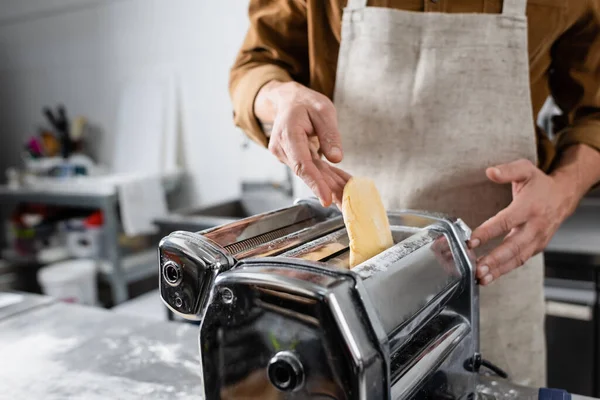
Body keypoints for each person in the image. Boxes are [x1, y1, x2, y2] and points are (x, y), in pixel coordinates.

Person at [229, 0, 600, 387]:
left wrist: (562, 191)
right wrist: (279, 98)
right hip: (342, 294)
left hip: (490, 283)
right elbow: (254, 66)